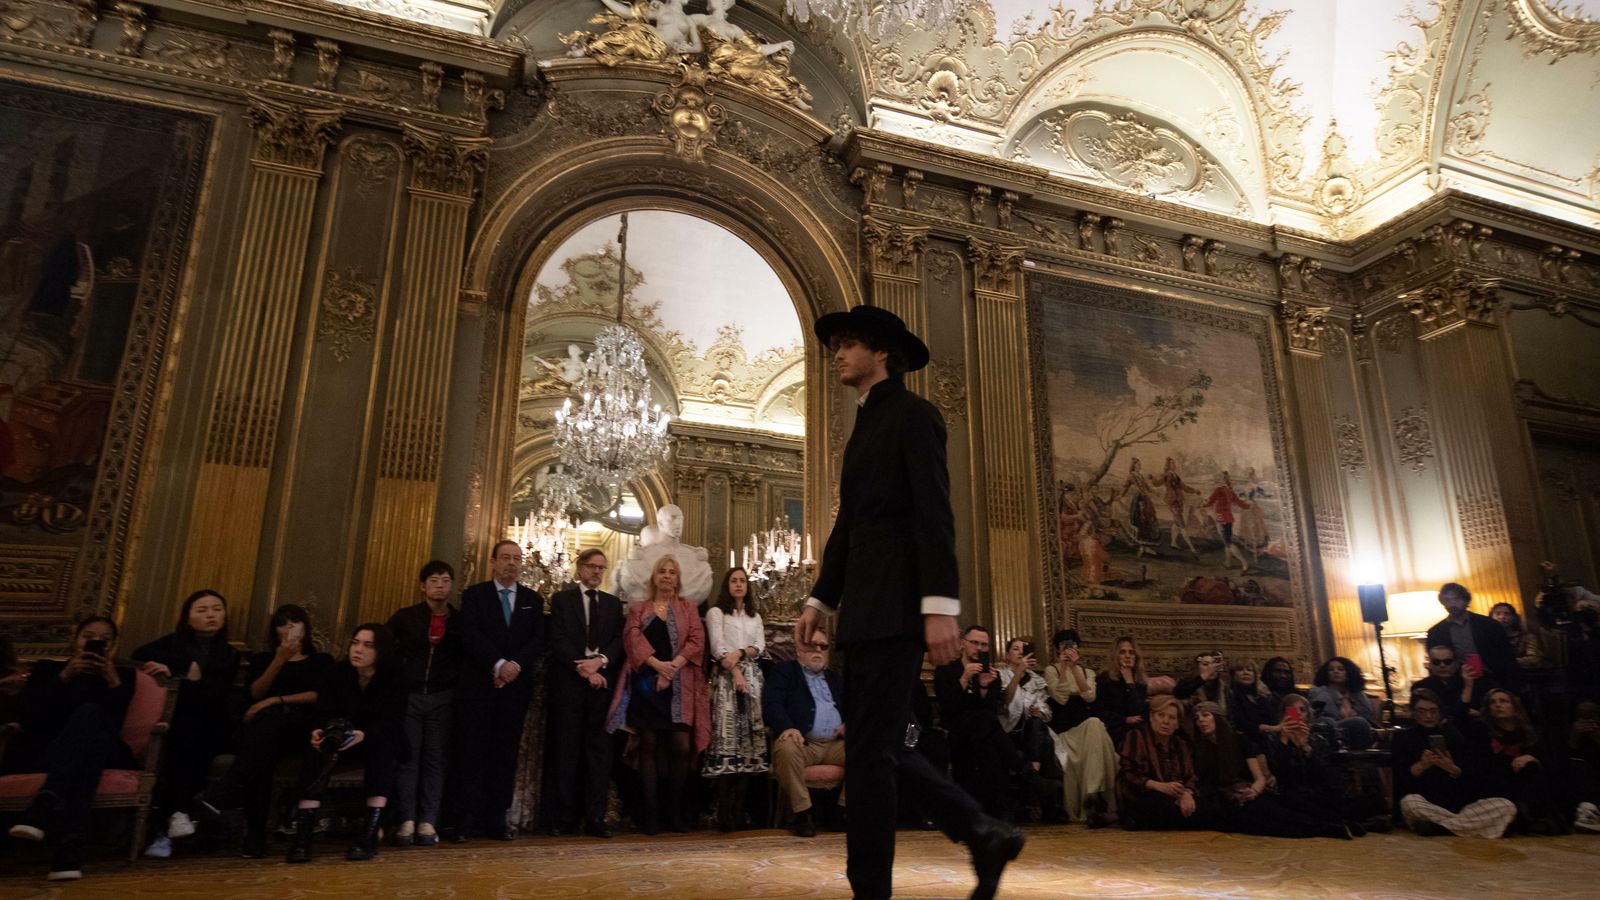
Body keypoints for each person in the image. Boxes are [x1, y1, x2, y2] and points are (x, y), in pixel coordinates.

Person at [794, 305, 1021, 900]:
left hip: (897, 607)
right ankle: (980, 831)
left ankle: (876, 885)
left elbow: (935, 515)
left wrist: (940, 604)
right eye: (837, 344)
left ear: (882, 353)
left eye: (849, 344)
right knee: (880, 748)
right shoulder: (864, 427)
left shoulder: (915, 415)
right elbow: (849, 527)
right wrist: (820, 598)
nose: (838, 353)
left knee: (872, 756)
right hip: (864, 611)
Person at [195, 604, 333, 857]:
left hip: (302, 728)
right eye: (282, 623)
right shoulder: (262, 659)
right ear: (275, 630)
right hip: (266, 731)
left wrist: (275, 700)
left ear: (306, 626)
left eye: (295, 621)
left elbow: (319, 695)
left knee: (266, 730)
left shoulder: (321, 660)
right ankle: (254, 836)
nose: (289, 627)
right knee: (261, 754)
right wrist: (280, 659)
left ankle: (228, 794)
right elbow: (254, 693)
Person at [4, 617, 135, 880]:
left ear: (113, 645)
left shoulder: (124, 677)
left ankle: (46, 802)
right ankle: (69, 850)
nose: (95, 642)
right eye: (88, 636)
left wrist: (112, 682)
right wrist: (63, 677)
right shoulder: (47, 670)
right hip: (52, 749)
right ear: (75, 640)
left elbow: (116, 722)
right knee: (93, 746)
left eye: (105, 639)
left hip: (111, 752)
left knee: (92, 718)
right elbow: (30, 715)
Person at [285, 623, 407, 863]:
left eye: (367, 645)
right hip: (339, 738)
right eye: (355, 643)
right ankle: (302, 839)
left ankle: (367, 836)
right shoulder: (337, 672)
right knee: (316, 752)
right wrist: (318, 731)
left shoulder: (395, 676)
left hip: (375, 736)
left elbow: (392, 721)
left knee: (383, 752)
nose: (358, 650)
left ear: (380, 651)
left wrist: (364, 734)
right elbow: (321, 712)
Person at [132, 589, 240, 858]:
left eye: (216, 609)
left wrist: (193, 680)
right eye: (202, 610)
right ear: (188, 617)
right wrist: (182, 666)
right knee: (182, 741)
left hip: (215, 723)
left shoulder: (229, 654)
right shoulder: (173, 644)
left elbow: (216, 695)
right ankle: (179, 816)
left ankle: (169, 825)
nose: (210, 615)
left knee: (192, 738)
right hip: (181, 722)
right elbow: (139, 653)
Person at [606, 555, 709, 834]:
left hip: (681, 684)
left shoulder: (689, 608)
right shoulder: (639, 608)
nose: (666, 576)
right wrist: (658, 667)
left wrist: (672, 668)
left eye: (671, 572)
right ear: (654, 577)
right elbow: (632, 639)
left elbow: (697, 641)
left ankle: (674, 814)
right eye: (661, 571)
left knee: (681, 746)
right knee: (648, 746)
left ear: (677, 578)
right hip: (645, 684)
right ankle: (650, 816)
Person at [454, 540, 547, 841]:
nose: (512, 563)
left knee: (505, 756)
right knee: (473, 754)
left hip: (515, 689)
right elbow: (470, 636)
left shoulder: (533, 599)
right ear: (493, 562)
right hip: (480, 687)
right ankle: (467, 822)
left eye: (517, 559)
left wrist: (514, 666)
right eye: (506, 558)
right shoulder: (475, 595)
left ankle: (497, 821)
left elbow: (537, 640)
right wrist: (497, 665)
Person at [543, 548, 623, 838]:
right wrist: (583, 668)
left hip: (601, 687)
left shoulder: (613, 604)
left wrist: (599, 663)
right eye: (591, 567)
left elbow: (618, 641)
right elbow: (558, 638)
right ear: (579, 569)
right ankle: (564, 818)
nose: (596, 572)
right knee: (566, 753)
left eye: (602, 568)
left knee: (599, 755)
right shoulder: (562, 600)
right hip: (569, 686)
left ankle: (595, 817)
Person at [385, 560, 462, 846]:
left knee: (435, 760)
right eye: (434, 580)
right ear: (422, 586)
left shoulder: (460, 620)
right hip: (410, 697)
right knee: (408, 759)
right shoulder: (406, 617)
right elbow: (385, 648)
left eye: (445, 580)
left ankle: (429, 820)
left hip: (443, 698)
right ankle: (406, 819)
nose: (440, 585)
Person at [1190, 701, 1344, 838]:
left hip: (1249, 789)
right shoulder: (1197, 748)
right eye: (1197, 718)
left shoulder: (1239, 740)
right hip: (1223, 799)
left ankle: (1336, 823)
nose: (1201, 720)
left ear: (1217, 717)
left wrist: (1254, 791)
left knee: (1286, 804)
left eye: (1205, 715)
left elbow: (1259, 778)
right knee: (1263, 815)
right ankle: (1321, 829)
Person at [934, 626, 1038, 822]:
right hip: (955, 728)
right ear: (962, 644)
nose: (979, 648)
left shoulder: (992, 674)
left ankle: (992, 812)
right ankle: (1021, 772)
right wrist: (964, 678)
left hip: (981, 732)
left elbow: (991, 709)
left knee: (988, 745)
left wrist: (983, 687)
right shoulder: (946, 670)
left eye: (984, 645)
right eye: (974, 643)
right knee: (986, 722)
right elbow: (948, 706)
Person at [1391, 689, 1515, 838]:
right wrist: (1421, 766)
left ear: (1440, 712)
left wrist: (1453, 769)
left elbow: (1473, 779)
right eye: (1421, 711)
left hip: (1459, 806)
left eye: (1433, 711)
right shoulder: (1403, 738)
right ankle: (1466, 827)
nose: (1428, 716)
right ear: (1413, 713)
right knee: (1410, 803)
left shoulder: (1454, 737)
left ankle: (1441, 828)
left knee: (1506, 806)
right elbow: (1400, 779)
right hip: (1426, 803)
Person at [701, 566, 768, 831]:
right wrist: (737, 668)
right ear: (727, 585)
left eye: (743, 581)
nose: (739, 585)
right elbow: (719, 649)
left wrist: (740, 652)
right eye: (734, 580)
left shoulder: (754, 616)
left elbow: (759, 646)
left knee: (748, 747)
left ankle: (740, 812)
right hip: (727, 681)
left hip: (752, 680)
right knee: (728, 746)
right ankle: (724, 813)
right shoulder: (716, 613)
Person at [762, 629, 845, 838]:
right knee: (786, 748)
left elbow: (854, 707)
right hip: (804, 744)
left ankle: (842, 811)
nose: (818, 650)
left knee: (868, 749)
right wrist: (787, 727)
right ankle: (803, 814)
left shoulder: (835, 678)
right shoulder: (785, 672)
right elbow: (772, 704)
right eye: (812, 645)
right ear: (799, 649)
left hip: (837, 744)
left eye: (823, 646)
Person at [1263, 693, 1376, 836]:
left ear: (1308, 716)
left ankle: (1338, 822)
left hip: (1316, 793)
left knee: (1361, 800)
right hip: (1290, 794)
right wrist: (1284, 740)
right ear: (1284, 715)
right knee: (1289, 804)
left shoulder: (1317, 738)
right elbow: (1281, 772)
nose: (1297, 714)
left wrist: (1306, 747)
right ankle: (1340, 823)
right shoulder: (1273, 738)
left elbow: (1321, 774)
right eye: (1292, 710)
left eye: (1302, 710)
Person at [1041, 630, 1117, 826]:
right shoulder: (1051, 670)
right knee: (1096, 726)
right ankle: (1094, 797)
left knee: (1095, 724)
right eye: (1064, 645)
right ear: (1058, 648)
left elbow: (1089, 697)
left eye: (1072, 645)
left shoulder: (1087, 672)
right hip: (1064, 731)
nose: (1069, 648)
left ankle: (1093, 798)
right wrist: (1065, 669)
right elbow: (1061, 698)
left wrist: (1075, 668)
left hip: (1086, 729)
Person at [1471, 687, 1566, 834]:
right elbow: (1483, 768)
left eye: (1503, 701)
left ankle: (1538, 818)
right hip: (1500, 786)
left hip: (1528, 785)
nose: (1498, 705)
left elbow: (1551, 764)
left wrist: (1533, 758)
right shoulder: (1483, 735)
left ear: (1514, 707)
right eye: (1493, 702)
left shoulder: (1531, 734)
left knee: (1531, 767)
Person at [997, 636, 1064, 821]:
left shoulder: (1036, 680)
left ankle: (1034, 779)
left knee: (1039, 727)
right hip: (1008, 732)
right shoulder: (1000, 674)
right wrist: (1018, 673)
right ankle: (1049, 804)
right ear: (1008, 655)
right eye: (1016, 649)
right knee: (1047, 743)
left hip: (1032, 731)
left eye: (1023, 649)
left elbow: (1047, 709)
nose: (1020, 653)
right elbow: (1003, 702)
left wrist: (1039, 712)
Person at [1116, 694, 1198, 830]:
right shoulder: (1136, 736)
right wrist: (1159, 786)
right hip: (1142, 796)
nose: (1165, 721)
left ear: (1177, 724)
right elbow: (1128, 774)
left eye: (1172, 718)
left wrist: (1187, 794)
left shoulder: (1181, 744)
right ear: (1151, 717)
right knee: (1160, 804)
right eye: (1161, 715)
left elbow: (1190, 776)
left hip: (1175, 797)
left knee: (1203, 806)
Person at [1425, 582, 1521, 692]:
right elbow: (1435, 666)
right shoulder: (1435, 632)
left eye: (1456, 599)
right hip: (1456, 685)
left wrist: (1514, 689)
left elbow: (1507, 658)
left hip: (1493, 680)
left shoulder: (1489, 625)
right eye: (1447, 600)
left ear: (1466, 600)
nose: (1452, 604)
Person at [1307, 656, 1378, 749]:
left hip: (1359, 732)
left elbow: (1368, 718)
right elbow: (1319, 717)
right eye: (1331, 670)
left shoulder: (1358, 694)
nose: (1336, 672)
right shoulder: (1319, 692)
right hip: (1333, 730)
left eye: (1341, 669)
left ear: (1349, 673)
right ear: (1326, 674)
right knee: (1359, 722)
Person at [1092, 635, 1149, 751]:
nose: (1127, 656)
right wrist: (1124, 719)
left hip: (1136, 726)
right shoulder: (1104, 679)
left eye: (1131, 652)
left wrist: (1129, 683)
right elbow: (1098, 711)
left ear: (1136, 657)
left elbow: (1138, 711)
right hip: (1114, 726)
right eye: (1122, 652)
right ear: (1116, 656)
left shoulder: (1140, 682)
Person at [1409, 644, 1481, 723]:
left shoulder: (1469, 682)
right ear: (1430, 665)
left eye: (1447, 662)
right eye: (1436, 662)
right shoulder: (1420, 686)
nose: (1442, 665)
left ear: (1456, 664)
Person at [1201, 470, 1253, 571]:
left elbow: (1210, 501)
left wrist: (1202, 504)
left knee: (1228, 543)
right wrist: (1248, 506)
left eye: (1219, 477)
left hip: (1221, 519)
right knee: (1227, 541)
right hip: (1229, 518)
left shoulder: (1219, 489)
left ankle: (1244, 563)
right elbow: (1239, 503)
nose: (1217, 479)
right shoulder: (1230, 490)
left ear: (1221, 479)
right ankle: (1228, 563)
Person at [1226, 659, 1280, 750]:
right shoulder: (1232, 696)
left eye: (1249, 670)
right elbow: (1240, 725)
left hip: (1267, 744)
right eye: (1240, 670)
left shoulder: (1262, 698)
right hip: (1245, 746)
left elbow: (1273, 719)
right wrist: (1273, 728)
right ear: (1233, 676)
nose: (1245, 673)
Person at [1174, 650, 1229, 719]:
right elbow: (1178, 694)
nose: (1211, 668)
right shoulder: (1188, 683)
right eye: (1205, 664)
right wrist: (1204, 676)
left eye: (1214, 664)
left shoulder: (1225, 688)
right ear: (1197, 667)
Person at [1489, 602, 1544, 670]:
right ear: (1491, 617)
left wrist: (1506, 662)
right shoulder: (1488, 637)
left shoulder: (1526, 637)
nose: (1502, 617)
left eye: (1507, 614)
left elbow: (1534, 659)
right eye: (1498, 614)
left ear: (1514, 617)